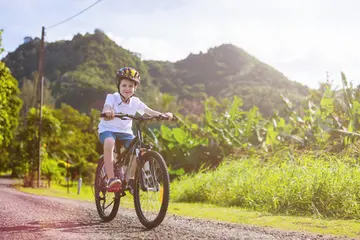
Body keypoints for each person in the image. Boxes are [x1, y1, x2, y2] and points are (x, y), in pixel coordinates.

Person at [98, 67, 173, 192]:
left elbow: (149, 111)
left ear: (135, 88)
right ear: (119, 86)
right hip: (108, 129)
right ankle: (111, 178)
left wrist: (163, 114)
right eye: (124, 85)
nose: (127, 88)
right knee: (109, 142)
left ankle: (131, 179)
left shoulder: (136, 101)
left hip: (125, 133)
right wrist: (107, 112)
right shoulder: (112, 97)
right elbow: (107, 107)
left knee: (140, 150)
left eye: (131, 86)